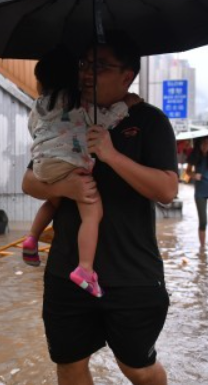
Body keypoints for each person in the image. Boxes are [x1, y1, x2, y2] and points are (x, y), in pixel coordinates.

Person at [22, 40, 177, 385]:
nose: (87, 74)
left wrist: (111, 154)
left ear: (128, 75)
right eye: (84, 64)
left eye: (100, 66)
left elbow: (167, 190)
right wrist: (64, 189)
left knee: (137, 368)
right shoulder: (66, 111)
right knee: (70, 364)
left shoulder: (149, 120)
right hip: (67, 271)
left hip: (132, 274)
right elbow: (29, 181)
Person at [21, 48, 129, 298]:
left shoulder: (38, 106)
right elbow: (105, 121)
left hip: (42, 163)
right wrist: (125, 105)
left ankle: (32, 238)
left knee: (54, 200)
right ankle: (85, 269)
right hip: (70, 161)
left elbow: (33, 129)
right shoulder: (81, 103)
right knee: (93, 212)